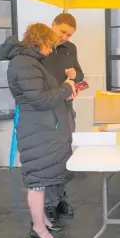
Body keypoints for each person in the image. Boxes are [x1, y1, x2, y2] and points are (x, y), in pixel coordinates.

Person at [0, 23, 77, 238]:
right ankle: (39, 229)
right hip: (37, 130)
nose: (52, 49)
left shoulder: (29, 61)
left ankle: (42, 221)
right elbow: (40, 99)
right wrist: (65, 88)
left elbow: (41, 94)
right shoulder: (23, 62)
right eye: (50, 44)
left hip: (41, 129)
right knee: (37, 183)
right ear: (40, 40)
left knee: (41, 180)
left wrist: (64, 91)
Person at [41, 12, 84, 222]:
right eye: (63, 32)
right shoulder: (39, 48)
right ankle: (48, 204)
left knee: (64, 154)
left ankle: (60, 199)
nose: (65, 37)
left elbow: (81, 75)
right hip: (46, 110)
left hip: (66, 109)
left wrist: (76, 76)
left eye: (69, 35)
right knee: (49, 157)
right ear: (53, 25)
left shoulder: (71, 49)